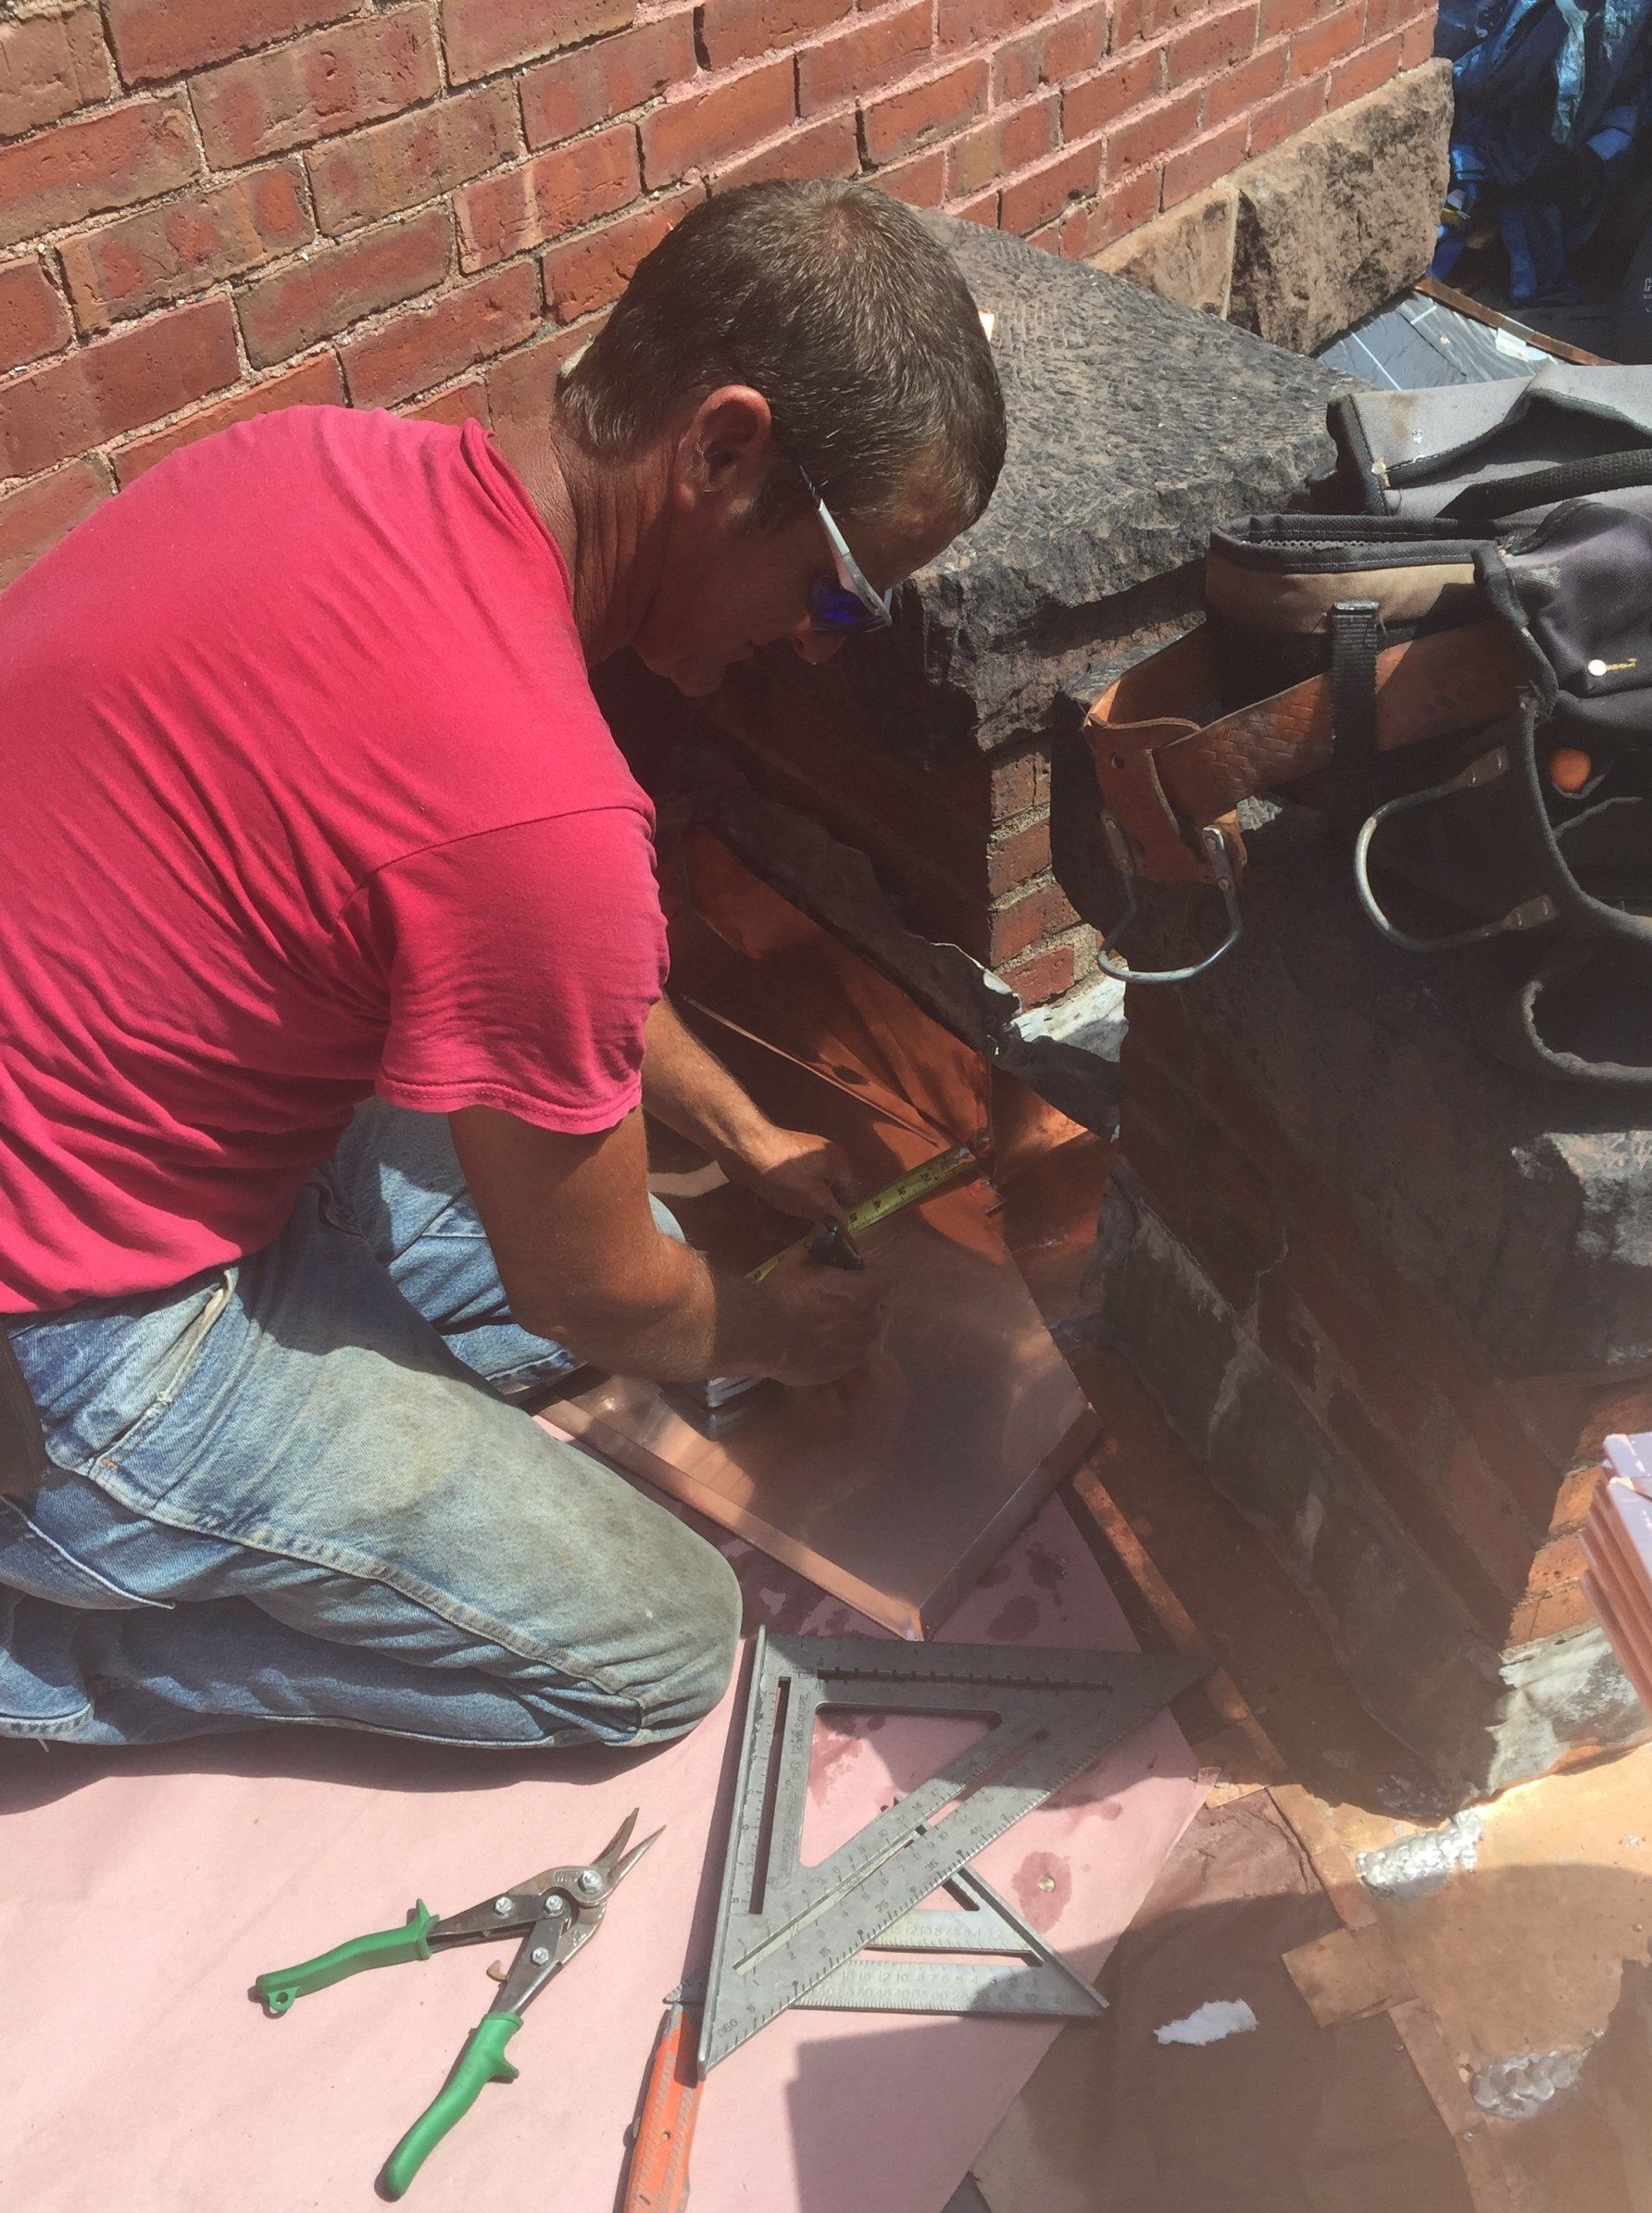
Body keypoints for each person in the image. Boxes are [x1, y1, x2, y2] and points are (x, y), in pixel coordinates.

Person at [0, 180, 1006, 1754]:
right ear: (720, 450)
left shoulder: (315, 458)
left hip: (111, 1154)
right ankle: (41, 1659)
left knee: (653, 1244)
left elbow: (527, 956)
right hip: (64, 1355)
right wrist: (771, 1334)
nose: (818, 645)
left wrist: (741, 1131)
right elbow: (590, 1274)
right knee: (660, 1641)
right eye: (832, 594)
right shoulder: (540, 807)